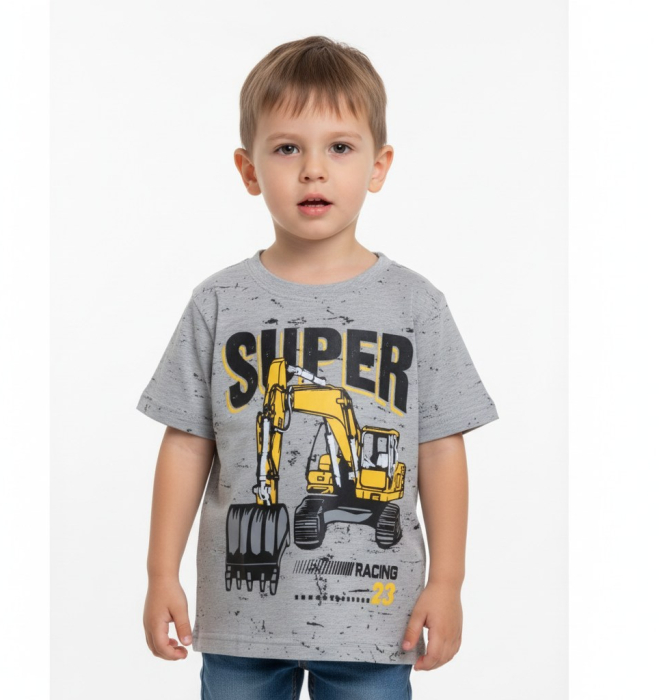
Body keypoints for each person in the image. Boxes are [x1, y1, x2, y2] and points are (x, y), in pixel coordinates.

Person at [138, 35, 499, 700]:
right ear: (249, 170)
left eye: (339, 147)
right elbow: (187, 443)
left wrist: (447, 582)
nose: (313, 170)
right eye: (286, 148)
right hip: (242, 621)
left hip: (377, 621)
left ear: (378, 165)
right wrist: (162, 572)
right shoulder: (219, 302)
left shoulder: (414, 305)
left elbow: (440, 446)